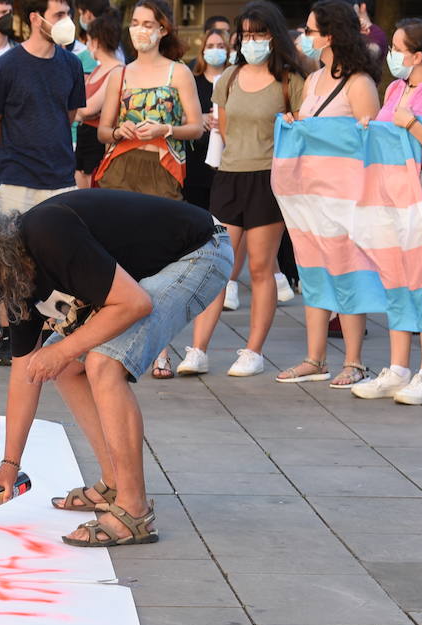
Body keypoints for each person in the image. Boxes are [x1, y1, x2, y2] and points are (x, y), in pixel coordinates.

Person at [0, 191, 231, 546]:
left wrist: (62, 350)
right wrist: (10, 464)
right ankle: (114, 484)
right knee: (68, 366)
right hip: (157, 265)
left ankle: (134, 513)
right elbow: (26, 373)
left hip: (201, 251)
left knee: (104, 364)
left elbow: (133, 303)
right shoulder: (15, 273)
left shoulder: (47, 234)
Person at [176, 0, 304, 379]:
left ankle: (253, 350)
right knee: (218, 265)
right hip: (230, 177)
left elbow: (302, 130)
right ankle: (197, 349)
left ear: (274, 37)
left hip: (269, 180)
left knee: (262, 269)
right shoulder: (228, 78)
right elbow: (226, 129)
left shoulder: (290, 81)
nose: (252, 41)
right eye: (246, 34)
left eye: (259, 34)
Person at [351, 17, 422, 405]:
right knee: (395, 280)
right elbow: (386, 138)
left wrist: (412, 123)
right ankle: (398, 368)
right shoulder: (395, 87)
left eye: (398, 48)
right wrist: (370, 129)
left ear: (418, 55)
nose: (391, 54)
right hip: (392, 193)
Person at [274, 0, 379, 389]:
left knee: (349, 274)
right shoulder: (316, 79)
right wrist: (295, 124)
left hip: (347, 198)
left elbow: (371, 143)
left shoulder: (360, 83)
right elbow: (309, 124)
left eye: (311, 30)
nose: (305, 36)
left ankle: (354, 361)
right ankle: (314, 358)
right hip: (311, 197)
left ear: (330, 35)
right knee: (315, 275)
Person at [0, 0, 85, 218]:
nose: (66, 21)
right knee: (14, 249)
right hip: (17, 183)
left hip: (62, 179)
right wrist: (10, 158)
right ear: (35, 18)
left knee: (61, 248)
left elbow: (68, 116)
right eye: (58, 15)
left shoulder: (72, 64)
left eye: (68, 14)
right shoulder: (4, 67)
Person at [94, 0, 203, 201]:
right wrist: (119, 131)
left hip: (163, 167)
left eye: (147, 24)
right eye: (135, 23)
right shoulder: (119, 74)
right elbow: (103, 132)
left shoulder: (179, 72)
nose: (139, 30)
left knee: (159, 230)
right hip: (120, 165)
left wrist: (165, 130)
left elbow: (196, 128)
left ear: (163, 30)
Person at [73, 9, 121, 188]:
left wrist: (74, 110)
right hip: (85, 136)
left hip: (98, 140)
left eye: (89, 40)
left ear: (97, 41)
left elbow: (87, 109)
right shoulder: (97, 69)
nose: (86, 45)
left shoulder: (116, 71)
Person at [183, 26, 228, 212]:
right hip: (197, 161)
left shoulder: (234, 80)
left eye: (220, 45)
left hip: (226, 161)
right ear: (202, 50)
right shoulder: (193, 80)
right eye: (210, 46)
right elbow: (179, 115)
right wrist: (198, 117)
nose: (215, 50)